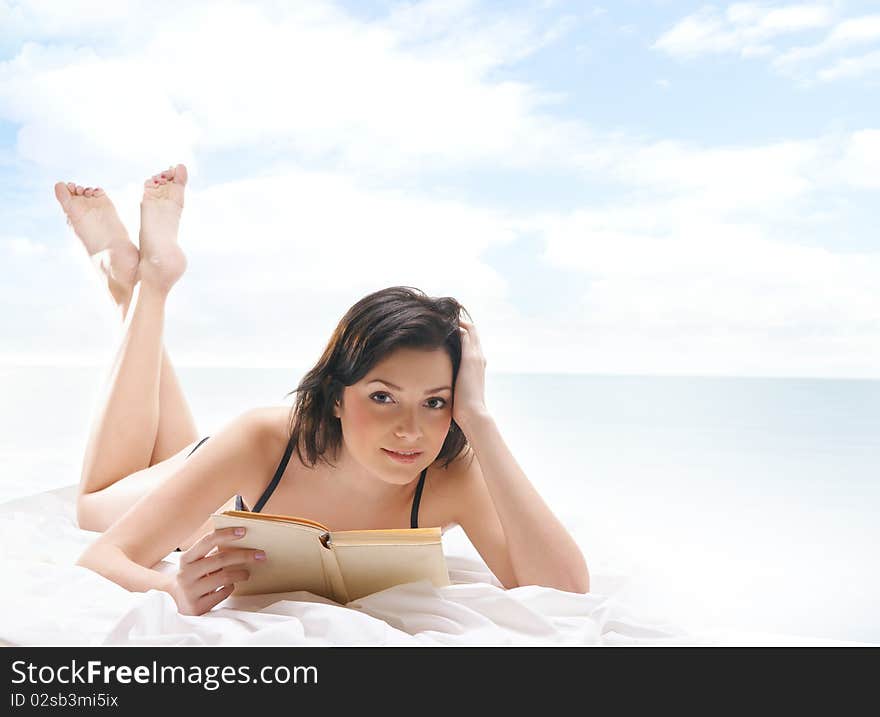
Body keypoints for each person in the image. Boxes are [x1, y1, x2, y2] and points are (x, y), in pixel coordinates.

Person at [54, 164, 590, 616]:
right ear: (337, 395)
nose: (411, 430)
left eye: (435, 402)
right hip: (235, 465)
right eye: (382, 396)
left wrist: (480, 420)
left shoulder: (451, 471)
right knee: (91, 507)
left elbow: (564, 594)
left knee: (166, 460)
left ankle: (133, 285)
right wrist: (172, 588)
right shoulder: (264, 437)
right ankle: (148, 285)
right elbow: (104, 556)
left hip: (223, 473)